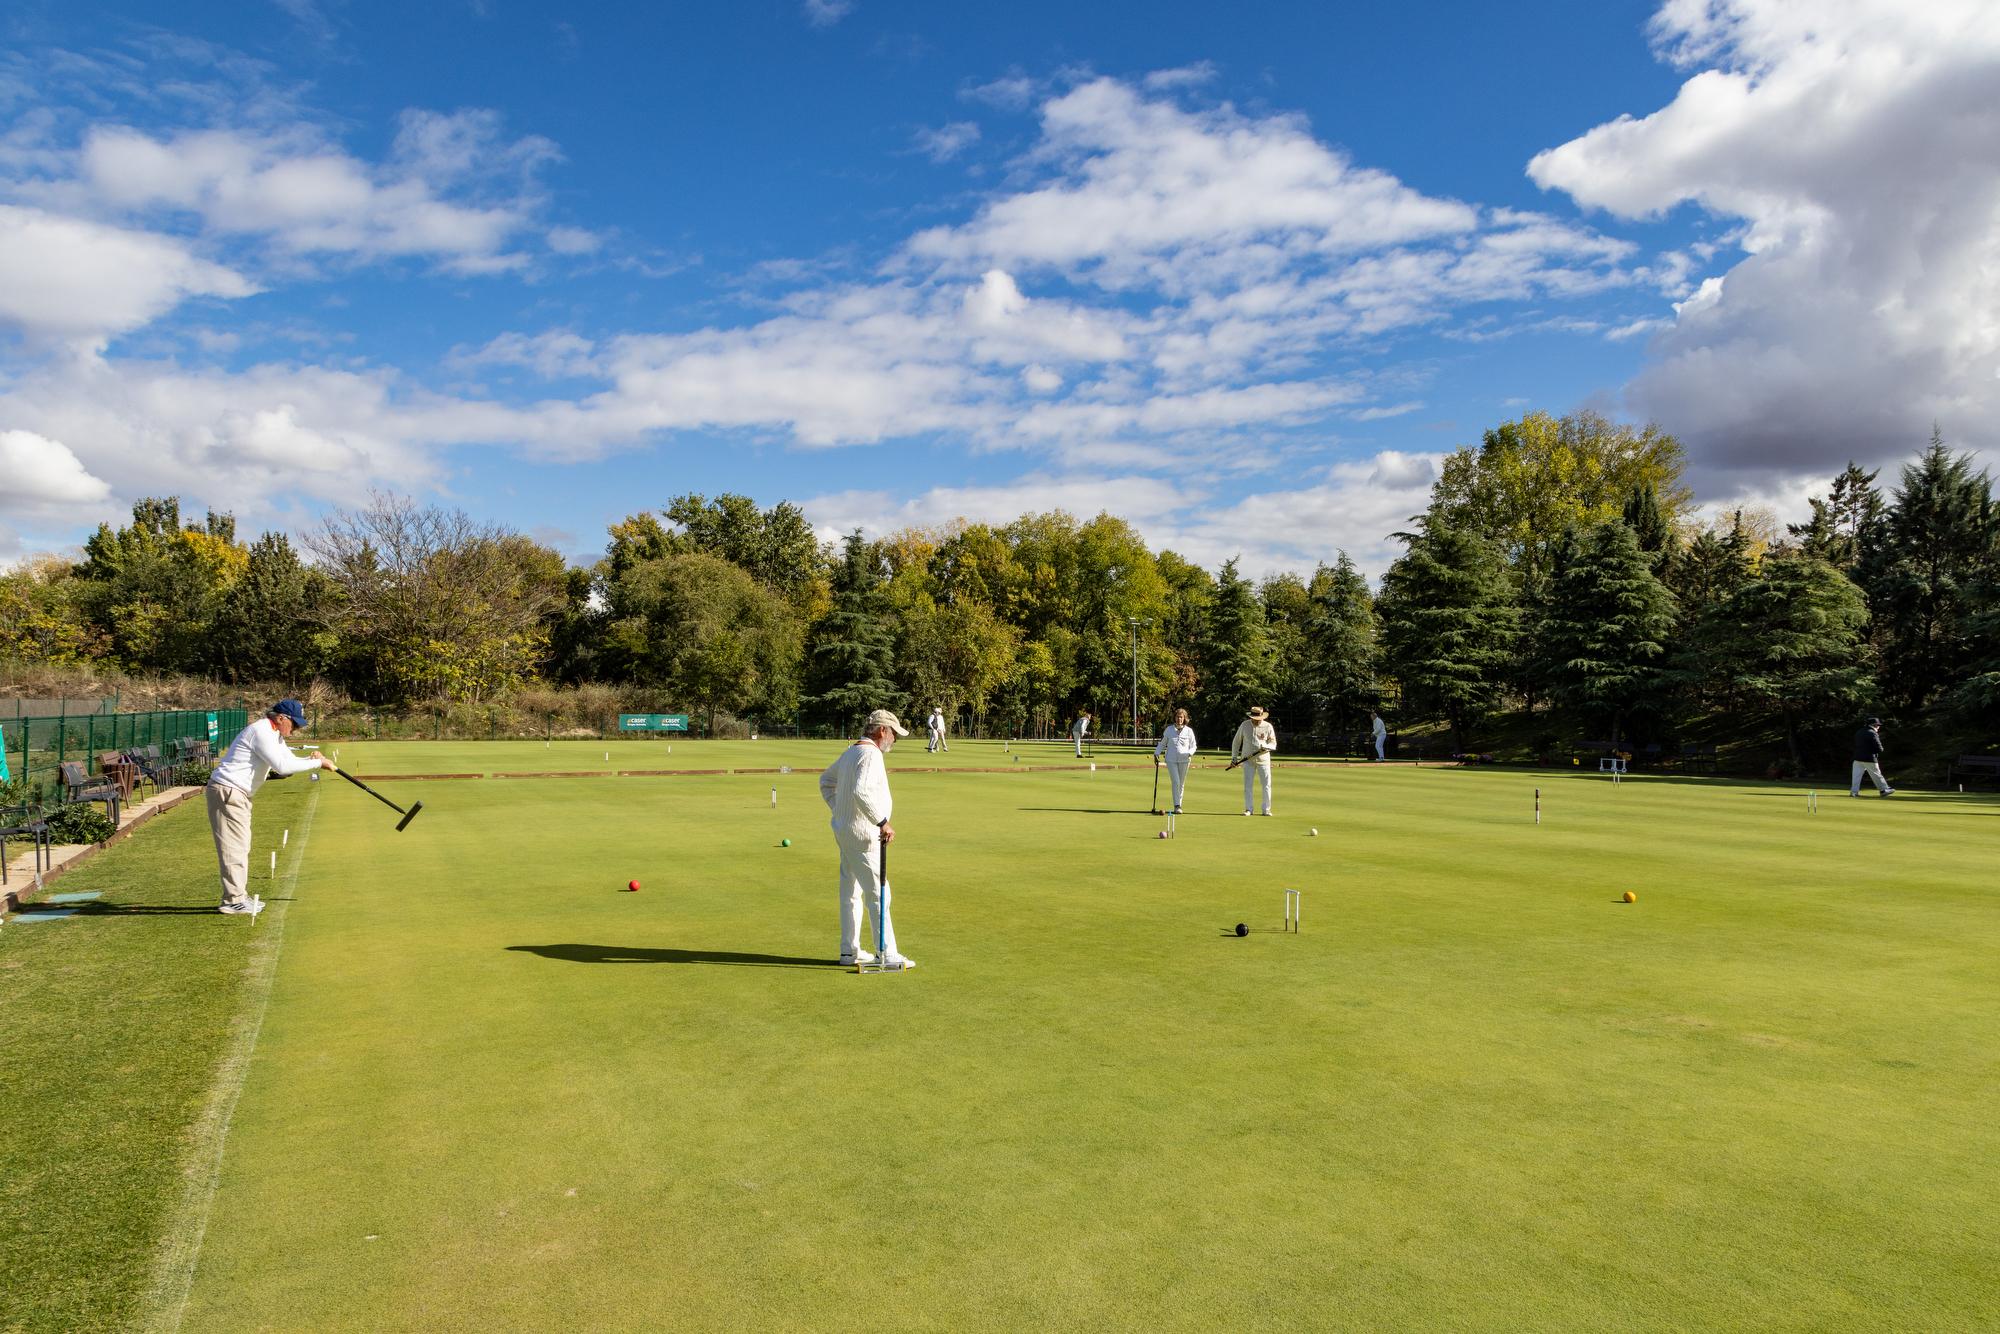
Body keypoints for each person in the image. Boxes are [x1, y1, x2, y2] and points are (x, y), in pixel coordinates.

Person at [206, 699, 335, 915]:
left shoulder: (275, 734)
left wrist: (311, 758)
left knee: (241, 845)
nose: (294, 731)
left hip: (237, 794)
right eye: (294, 725)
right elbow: (282, 766)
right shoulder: (262, 731)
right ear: (281, 718)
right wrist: (317, 763)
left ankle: (238, 896)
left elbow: (288, 761)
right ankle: (232, 901)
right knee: (234, 847)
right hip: (228, 791)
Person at [818, 709, 915, 969]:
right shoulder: (870, 754)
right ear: (882, 730)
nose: (894, 739)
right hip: (863, 835)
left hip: (845, 831)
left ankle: (849, 951)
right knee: (879, 891)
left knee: (851, 891)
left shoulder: (851, 751)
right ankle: (887, 953)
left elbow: (826, 781)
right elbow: (860, 789)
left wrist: (841, 810)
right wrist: (882, 822)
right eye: (893, 733)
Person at [1231, 706, 1277, 816]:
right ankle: (1249, 809)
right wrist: (1234, 758)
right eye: (1255, 718)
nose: (1257, 720)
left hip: (1264, 760)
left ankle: (1266, 809)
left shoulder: (1268, 726)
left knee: (1266, 785)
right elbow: (1236, 742)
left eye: (1259, 718)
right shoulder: (1244, 725)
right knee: (1248, 785)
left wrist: (1265, 746)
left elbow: (1273, 744)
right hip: (1248, 760)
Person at [1153, 707, 1196, 813]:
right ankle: (1176, 805)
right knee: (1175, 781)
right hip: (1171, 759)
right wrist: (1156, 753)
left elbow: (1194, 746)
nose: (1179, 719)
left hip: (1185, 760)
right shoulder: (1169, 730)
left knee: (1181, 783)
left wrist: (1190, 753)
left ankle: (1179, 805)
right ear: (1175, 718)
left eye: (1181, 717)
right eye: (1177, 717)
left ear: (1184, 718)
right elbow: (1163, 743)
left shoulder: (1189, 731)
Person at [1851, 717, 1896, 797]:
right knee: (1877, 774)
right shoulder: (1872, 732)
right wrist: (1880, 750)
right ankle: (1884, 790)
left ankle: (1854, 792)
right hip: (1869, 758)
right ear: (1874, 725)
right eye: (1878, 725)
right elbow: (1879, 747)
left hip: (1857, 757)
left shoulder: (1859, 731)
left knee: (1856, 777)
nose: (1879, 727)